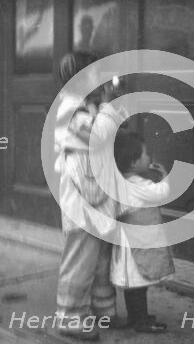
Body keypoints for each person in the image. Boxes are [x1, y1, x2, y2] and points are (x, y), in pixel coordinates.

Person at [54, 51, 127, 340]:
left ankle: (103, 309)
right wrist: (111, 99)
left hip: (98, 188)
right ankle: (70, 316)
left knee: (102, 254)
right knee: (82, 254)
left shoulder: (90, 104)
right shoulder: (70, 108)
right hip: (82, 191)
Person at [111, 131, 174, 333]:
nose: (149, 157)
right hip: (140, 249)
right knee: (139, 285)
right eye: (145, 154)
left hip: (129, 247)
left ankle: (136, 316)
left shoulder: (121, 183)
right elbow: (162, 193)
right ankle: (141, 321)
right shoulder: (142, 186)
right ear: (132, 163)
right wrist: (164, 176)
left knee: (134, 287)